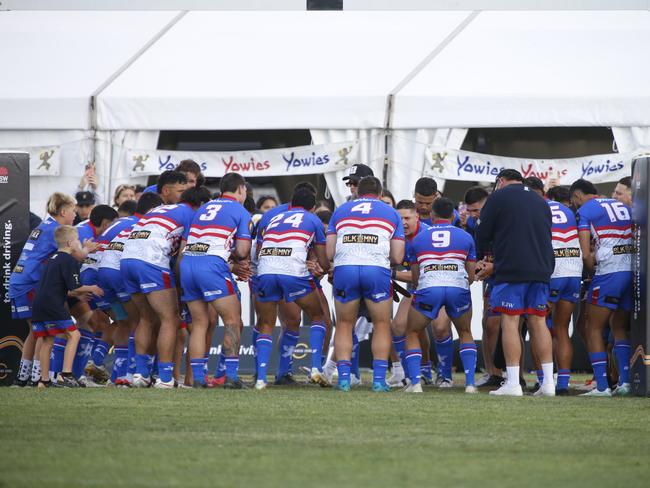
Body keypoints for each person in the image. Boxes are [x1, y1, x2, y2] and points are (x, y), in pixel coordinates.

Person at [476, 169, 556, 397]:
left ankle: (512, 383)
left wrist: (486, 257)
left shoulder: (498, 197)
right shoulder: (540, 200)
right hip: (541, 269)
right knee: (538, 323)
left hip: (511, 269)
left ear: (500, 181)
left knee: (510, 322)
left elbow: (482, 233)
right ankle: (548, 383)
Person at [121, 186, 211, 388]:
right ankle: (165, 377)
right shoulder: (192, 215)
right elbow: (181, 255)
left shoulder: (160, 209)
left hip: (127, 260)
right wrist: (182, 283)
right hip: (151, 261)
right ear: (202, 204)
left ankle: (141, 374)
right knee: (169, 318)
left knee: (146, 317)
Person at [327, 176, 405, 392]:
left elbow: (329, 252)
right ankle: (379, 381)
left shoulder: (341, 210)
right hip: (376, 270)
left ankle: (343, 380)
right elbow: (398, 257)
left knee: (344, 324)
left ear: (357, 192)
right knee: (381, 324)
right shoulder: (391, 213)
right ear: (380, 194)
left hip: (345, 269)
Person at [9, 192, 89, 387]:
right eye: (72, 210)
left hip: (20, 280)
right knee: (45, 333)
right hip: (31, 282)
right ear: (63, 211)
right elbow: (76, 254)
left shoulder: (43, 225)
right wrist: (88, 249)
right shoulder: (57, 230)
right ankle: (38, 377)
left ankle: (24, 376)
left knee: (35, 331)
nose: (75, 214)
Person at [181, 173, 251, 389]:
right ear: (240, 189)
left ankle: (199, 379)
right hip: (211, 266)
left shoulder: (203, 208)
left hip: (187, 264)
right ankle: (231, 377)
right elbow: (242, 250)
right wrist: (235, 258)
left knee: (200, 324)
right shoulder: (241, 210)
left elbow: (185, 244)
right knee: (232, 320)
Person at [254, 188, 330, 389]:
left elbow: (258, 250)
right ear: (312, 208)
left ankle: (261, 378)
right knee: (317, 315)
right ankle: (315, 369)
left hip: (266, 270)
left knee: (266, 324)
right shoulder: (312, 219)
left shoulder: (273, 218)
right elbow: (323, 260)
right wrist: (323, 267)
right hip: (292, 272)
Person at [402, 198, 478, 394]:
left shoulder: (418, 239)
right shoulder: (466, 237)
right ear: (453, 216)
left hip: (429, 288)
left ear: (432, 216)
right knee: (465, 332)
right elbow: (470, 275)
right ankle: (470, 384)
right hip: (457, 288)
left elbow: (416, 277)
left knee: (412, 331)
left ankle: (416, 384)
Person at [570, 178, 633, 396]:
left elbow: (585, 254)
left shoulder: (585, 211)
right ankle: (625, 382)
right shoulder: (622, 205)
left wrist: (589, 269)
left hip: (608, 274)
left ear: (577, 197)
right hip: (631, 272)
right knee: (619, 327)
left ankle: (602, 386)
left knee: (592, 327)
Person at [96, 193, 163, 386]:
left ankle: (116, 374)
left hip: (103, 273)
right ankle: (130, 373)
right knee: (140, 321)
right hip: (118, 274)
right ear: (153, 211)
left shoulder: (123, 221)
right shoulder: (145, 224)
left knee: (122, 322)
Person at [31, 225, 104, 388]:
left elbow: (56, 286)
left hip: (39, 304)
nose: (79, 243)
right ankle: (67, 375)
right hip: (53, 306)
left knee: (47, 339)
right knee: (74, 335)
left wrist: (76, 294)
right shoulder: (69, 260)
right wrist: (91, 288)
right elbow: (74, 287)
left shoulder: (53, 258)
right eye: (77, 240)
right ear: (70, 243)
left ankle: (43, 380)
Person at [544, 183, 583, 395]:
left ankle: (544, 380)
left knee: (539, 324)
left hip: (553, 269)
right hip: (573, 269)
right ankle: (563, 384)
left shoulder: (541, 207)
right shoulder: (570, 210)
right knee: (561, 328)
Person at [388, 200, 431, 387]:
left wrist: (392, 274)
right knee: (398, 326)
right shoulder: (392, 235)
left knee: (440, 329)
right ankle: (407, 374)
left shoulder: (427, 234)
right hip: (415, 289)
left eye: (407, 218)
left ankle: (435, 372)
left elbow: (420, 274)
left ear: (417, 217)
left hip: (434, 285)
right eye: (399, 218)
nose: (403, 222)